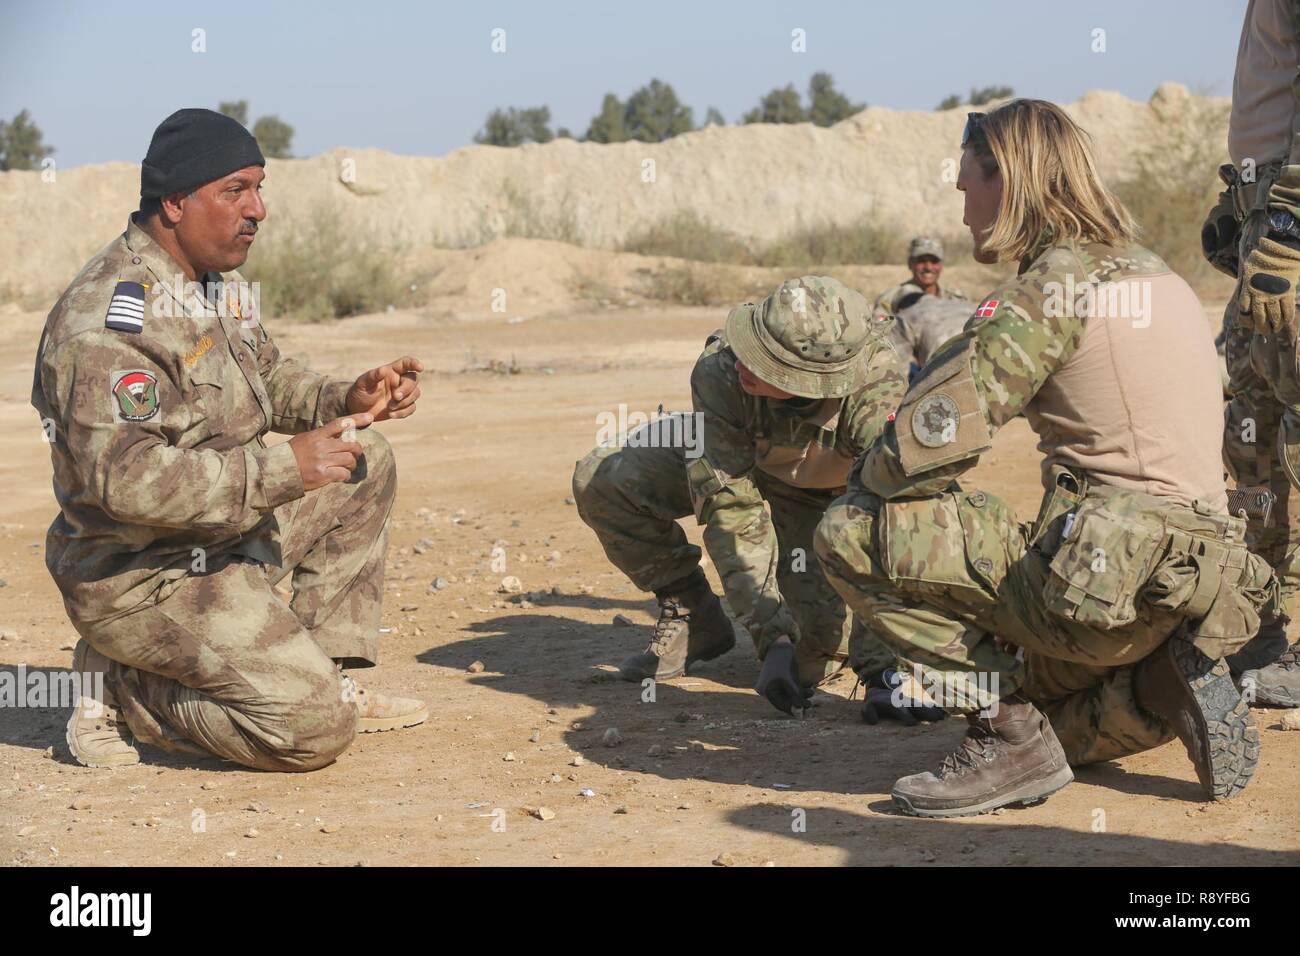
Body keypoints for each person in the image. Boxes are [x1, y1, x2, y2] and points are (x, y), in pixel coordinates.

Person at [815, 100, 1278, 818]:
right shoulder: (1158, 276)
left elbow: (922, 447)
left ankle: (1005, 737)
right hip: (1201, 584)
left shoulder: (1051, 290)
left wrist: (865, 481)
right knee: (1047, 706)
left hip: (1108, 578)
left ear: (1010, 180)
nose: (962, 201)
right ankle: (1149, 691)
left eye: (969, 181)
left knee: (847, 530)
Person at [36, 108, 427, 772]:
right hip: (137, 576)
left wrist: (346, 397)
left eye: (260, 188)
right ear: (175, 201)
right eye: (236, 190)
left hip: (214, 536)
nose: (259, 210)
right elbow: (125, 481)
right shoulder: (110, 318)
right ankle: (123, 685)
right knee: (312, 733)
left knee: (363, 459)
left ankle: (326, 667)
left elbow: (266, 376)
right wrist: (281, 470)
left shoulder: (221, 287)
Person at [573, 277, 939, 720]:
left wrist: (883, 668)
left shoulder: (876, 388)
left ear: (816, 381)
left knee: (812, 659)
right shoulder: (722, 367)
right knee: (603, 480)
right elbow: (731, 505)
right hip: (739, 455)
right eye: (754, 344)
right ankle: (696, 618)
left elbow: (891, 517)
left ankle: (831, 637)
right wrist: (772, 636)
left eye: (769, 363)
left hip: (824, 493)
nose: (747, 359)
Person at [1200, 0, 1300, 707]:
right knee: (1253, 433)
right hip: (1264, 209)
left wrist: (1290, 217)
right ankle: (1264, 627)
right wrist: (1244, 208)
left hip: (1288, 219)